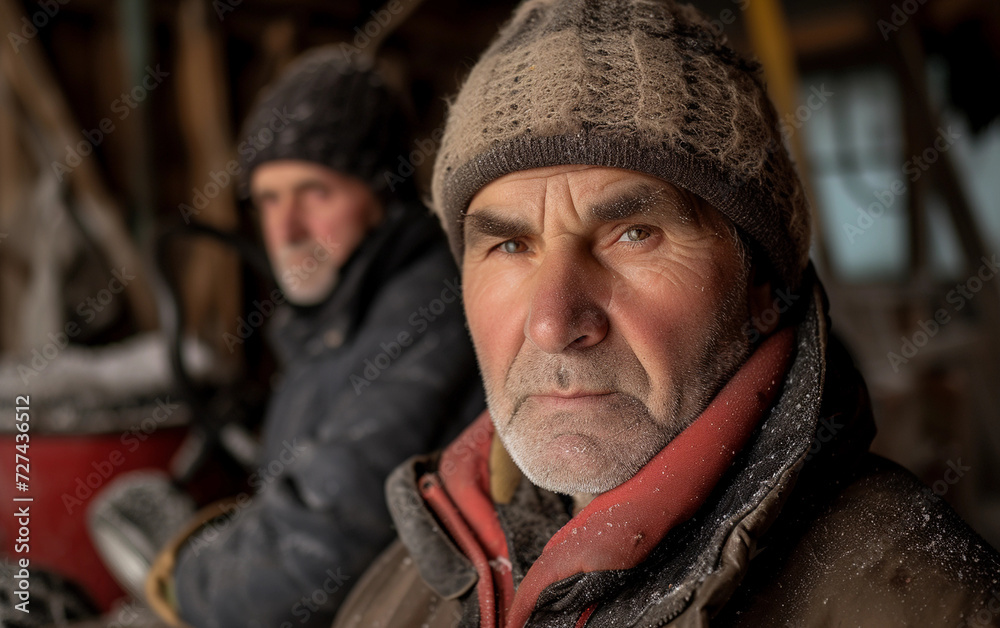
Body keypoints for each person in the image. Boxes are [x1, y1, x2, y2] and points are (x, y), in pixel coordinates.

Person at [332, 2, 1000, 627]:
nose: (553, 323)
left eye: (634, 234)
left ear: (763, 286)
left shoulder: (918, 598)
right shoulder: (415, 569)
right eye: (511, 245)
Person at [145, 47, 483, 627]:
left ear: (383, 194)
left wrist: (181, 578)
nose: (286, 229)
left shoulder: (429, 305)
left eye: (315, 192)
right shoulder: (331, 312)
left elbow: (321, 545)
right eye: (269, 199)